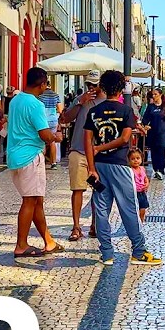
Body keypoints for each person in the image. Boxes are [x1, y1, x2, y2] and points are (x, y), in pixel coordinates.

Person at [86, 69, 161, 266]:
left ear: (101, 87)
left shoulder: (93, 111)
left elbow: (88, 142)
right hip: (119, 165)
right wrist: (101, 147)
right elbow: (125, 138)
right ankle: (138, 251)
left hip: (99, 166)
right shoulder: (125, 111)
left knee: (101, 209)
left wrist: (91, 167)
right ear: (121, 89)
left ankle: (107, 253)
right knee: (129, 208)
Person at [6, 67, 64, 258]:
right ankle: (21, 245)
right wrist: (56, 137)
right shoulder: (35, 104)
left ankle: (48, 241)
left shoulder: (15, 100)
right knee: (30, 201)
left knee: (37, 200)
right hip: (30, 156)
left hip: (15, 155)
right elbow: (44, 134)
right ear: (42, 84)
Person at [61, 71, 105, 241]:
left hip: (98, 154)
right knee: (77, 189)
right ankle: (76, 226)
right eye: (89, 85)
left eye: (94, 85)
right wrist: (79, 103)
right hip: (78, 151)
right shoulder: (80, 100)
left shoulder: (108, 102)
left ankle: (95, 225)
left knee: (98, 191)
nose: (91, 88)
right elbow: (64, 119)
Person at [142, 89, 165, 180]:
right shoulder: (150, 107)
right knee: (154, 151)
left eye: (155, 94)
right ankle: (156, 169)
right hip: (152, 132)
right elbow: (145, 119)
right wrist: (145, 125)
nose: (154, 96)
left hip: (163, 132)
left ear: (160, 95)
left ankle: (161, 170)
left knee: (161, 150)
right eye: (153, 95)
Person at [39, 80, 63, 168]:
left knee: (41, 141)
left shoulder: (40, 95)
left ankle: (42, 162)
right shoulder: (55, 95)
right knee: (52, 141)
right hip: (53, 120)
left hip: (43, 119)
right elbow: (60, 110)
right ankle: (53, 163)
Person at [129, 147, 150, 222]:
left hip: (142, 192)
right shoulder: (130, 170)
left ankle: (141, 221)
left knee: (143, 208)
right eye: (133, 159)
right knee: (134, 209)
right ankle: (135, 222)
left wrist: (147, 183)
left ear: (141, 159)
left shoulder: (142, 168)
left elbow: (145, 178)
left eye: (138, 158)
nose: (135, 160)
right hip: (134, 193)